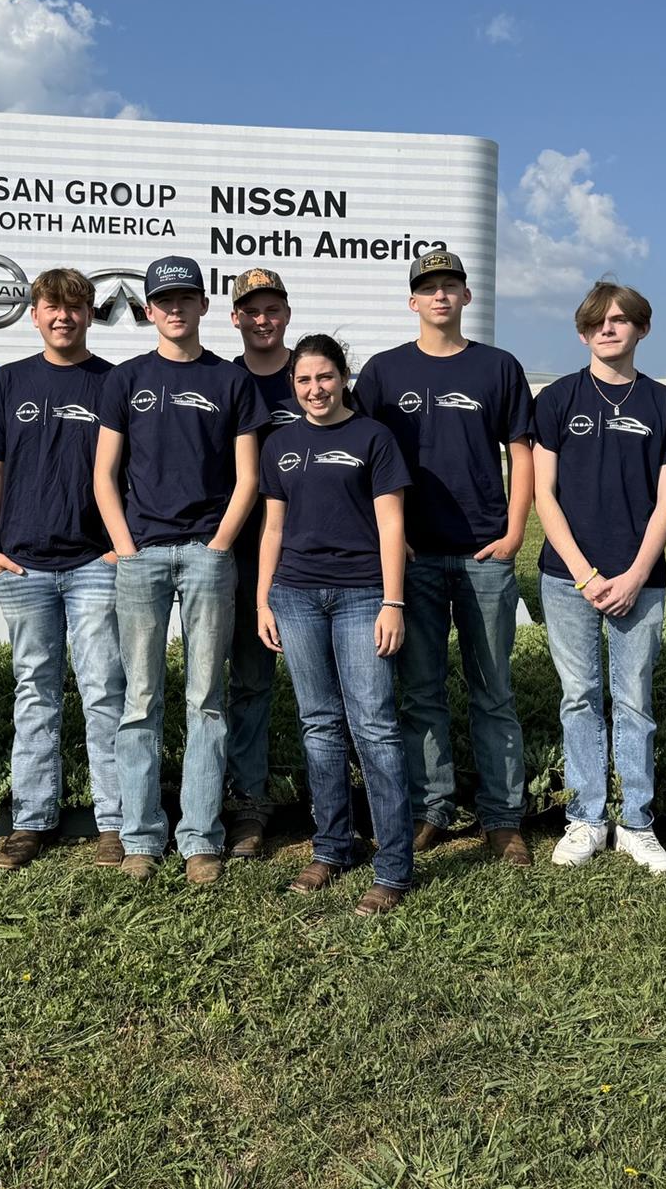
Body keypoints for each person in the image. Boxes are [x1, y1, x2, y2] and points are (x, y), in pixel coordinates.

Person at [353, 250, 536, 865]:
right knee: (420, 692)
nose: (439, 297)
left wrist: (514, 534)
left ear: (466, 296)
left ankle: (503, 816)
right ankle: (431, 808)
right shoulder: (382, 372)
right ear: (412, 301)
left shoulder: (498, 367)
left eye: (449, 287)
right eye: (427, 288)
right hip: (416, 555)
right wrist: (393, 541)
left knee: (493, 690)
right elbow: (362, 459)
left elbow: (522, 454)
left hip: (485, 553)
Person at [94, 255, 266, 884]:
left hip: (206, 556)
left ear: (202, 307)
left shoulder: (231, 381)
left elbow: (248, 478)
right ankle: (141, 835)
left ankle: (200, 835)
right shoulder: (125, 380)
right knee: (140, 701)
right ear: (147, 310)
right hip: (141, 558)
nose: (174, 308)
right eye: (163, 300)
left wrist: (219, 546)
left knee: (207, 700)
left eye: (185, 298)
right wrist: (126, 546)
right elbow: (103, 474)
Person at [533, 280, 666, 875]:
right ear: (583, 332)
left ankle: (639, 824)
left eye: (621, 320)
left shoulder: (664, 407)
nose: (609, 328)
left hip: (639, 581)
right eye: (598, 321)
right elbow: (543, 497)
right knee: (579, 699)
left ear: (641, 329)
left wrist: (632, 575)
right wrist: (585, 575)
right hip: (567, 577)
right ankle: (586, 818)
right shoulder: (556, 400)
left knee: (636, 702)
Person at [256, 334, 414, 915]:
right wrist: (262, 601)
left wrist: (392, 603)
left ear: (343, 377)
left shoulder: (373, 438)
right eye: (303, 381)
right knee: (319, 725)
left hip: (361, 595)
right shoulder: (281, 444)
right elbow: (272, 528)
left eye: (324, 377)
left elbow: (392, 525)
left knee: (374, 726)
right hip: (294, 595)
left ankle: (394, 868)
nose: (314, 390)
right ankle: (332, 848)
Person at [0, 267, 125, 871]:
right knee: (34, 692)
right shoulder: (9, 382)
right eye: (51, 307)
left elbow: (129, 474)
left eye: (74, 307)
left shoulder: (113, 383)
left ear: (91, 315)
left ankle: (114, 821)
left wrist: (119, 548)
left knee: (104, 691)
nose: (62, 317)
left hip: (94, 562)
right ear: (33, 314)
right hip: (23, 566)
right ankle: (32, 820)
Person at [223, 266, 300, 858]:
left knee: (335, 688)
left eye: (272, 308)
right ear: (236, 319)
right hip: (245, 554)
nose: (263, 319)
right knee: (249, 683)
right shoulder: (221, 382)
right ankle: (249, 803)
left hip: (320, 557)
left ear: (286, 316)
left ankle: (334, 802)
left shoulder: (314, 377)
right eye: (252, 310)